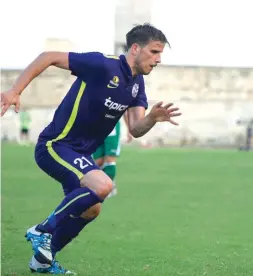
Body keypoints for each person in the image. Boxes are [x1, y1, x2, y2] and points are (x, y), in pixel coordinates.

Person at [1, 23, 181, 274]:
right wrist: (14, 90)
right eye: (154, 52)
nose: (158, 59)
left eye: (160, 54)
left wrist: (152, 118)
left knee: (92, 209)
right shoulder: (103, 65)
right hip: (55, 145)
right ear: (136, 49)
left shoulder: (137, 85)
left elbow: (135, 128)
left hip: (79, 154)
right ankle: (41, 230)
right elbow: (49, 57)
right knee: (103, 185)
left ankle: (43, 260)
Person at [92, 114, 133, 198]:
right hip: (95, 127)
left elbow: (125, 110)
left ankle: (109, 187)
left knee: (110, 159)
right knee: (98, 161)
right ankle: (102, 185)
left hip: (112, 128)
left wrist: (129, 128)